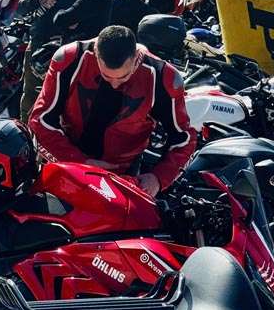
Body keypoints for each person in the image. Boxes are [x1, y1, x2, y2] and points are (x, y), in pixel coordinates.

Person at [29, 25, 196, 196]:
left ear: (136, 57)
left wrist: (158, 178)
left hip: (121, 175)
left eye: (124, 77)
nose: (115, 84)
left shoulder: (161, 77)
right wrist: (78, 161)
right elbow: (40, 120)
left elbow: (184, 139)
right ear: (96, 54)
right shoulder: (71, 59)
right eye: (106, 76)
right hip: (68, 161)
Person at [17, 0, 85, 122]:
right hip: (36, 48)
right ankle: (26, 133)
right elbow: (19, 8)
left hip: (64, 54)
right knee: (30, 96)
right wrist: (37, 0)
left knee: (58, 101)